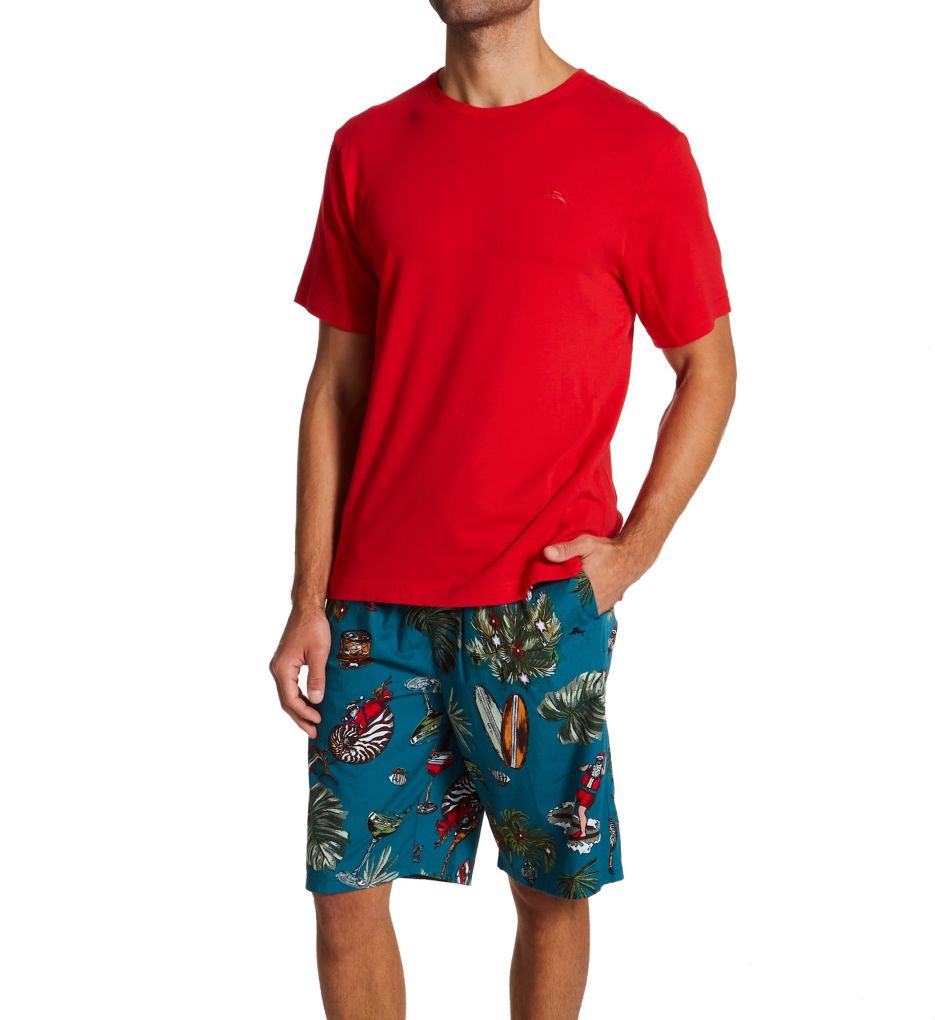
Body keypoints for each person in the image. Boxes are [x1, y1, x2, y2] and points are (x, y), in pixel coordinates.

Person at [269, 2, 737, 1016]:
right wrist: (306, 597)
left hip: (537, 601)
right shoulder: (366, 149)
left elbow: (707, 367)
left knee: (548, 894)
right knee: (343, 899)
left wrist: (633, 551)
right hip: (374, 604)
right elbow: (333, 388)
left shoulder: (640, 151)